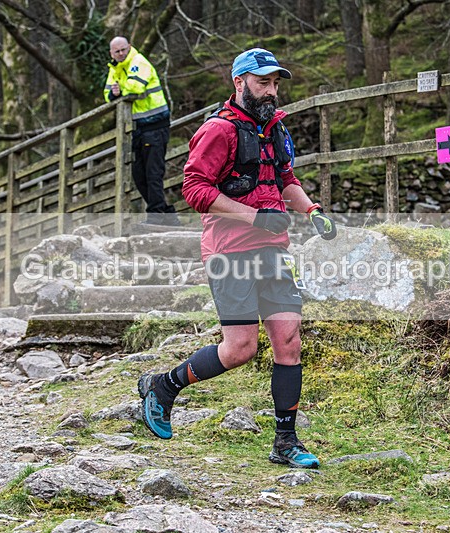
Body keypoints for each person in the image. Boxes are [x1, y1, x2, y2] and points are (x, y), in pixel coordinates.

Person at [138, 48, 338, 469]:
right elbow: (194, 190)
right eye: (263, 83)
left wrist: (312, 211)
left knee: (288, 340)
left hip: (274, 249)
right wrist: (253, 217)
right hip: (229, 252)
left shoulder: (275, 127)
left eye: (276, 83)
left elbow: (285, 178)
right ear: (239, 83)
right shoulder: (218, 131)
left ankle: (286, 442)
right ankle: (163, 385)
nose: (271, 91)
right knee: (241, 348)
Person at [104, 36, 178, 226]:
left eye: (123, 49)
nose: (121, 54)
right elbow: (107, 94)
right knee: (139, 175)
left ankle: (156, 216)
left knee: (153, 172)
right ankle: (167, 215)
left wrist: (119, 89)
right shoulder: (115, 69)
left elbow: (136, 87)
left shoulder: (139, 62)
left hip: (155, 125)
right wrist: (114, 92)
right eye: (117, 51)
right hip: (136, 128)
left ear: (129, 47)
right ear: (111, 53)